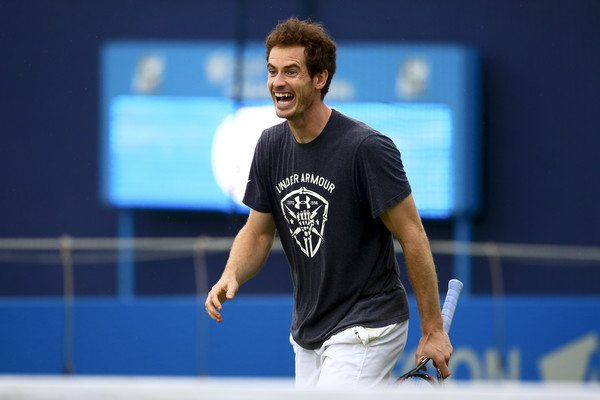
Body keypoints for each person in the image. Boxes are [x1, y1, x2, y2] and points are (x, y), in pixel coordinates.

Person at [205, 17, 452, 388]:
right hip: (309, 330)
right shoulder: (270, 146)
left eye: (291, 71)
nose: (277, 83)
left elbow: (412, 235)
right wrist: (231, 274)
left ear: (320, 79)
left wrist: (432, 328)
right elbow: (257, 233)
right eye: (272, 71)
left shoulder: (366, 149)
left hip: (369, 323)